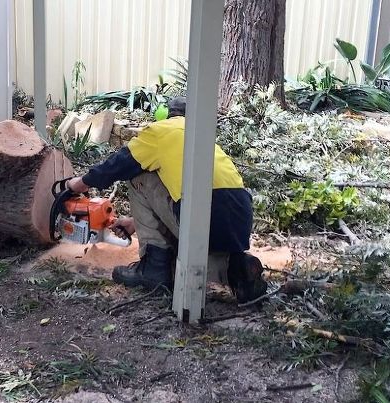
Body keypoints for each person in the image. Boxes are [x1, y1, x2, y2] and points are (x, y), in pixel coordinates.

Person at [66, 97, 266, 303]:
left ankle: (153, 268)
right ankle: (238, 268)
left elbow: (119, 165)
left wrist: (79, 184)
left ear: (165, 115)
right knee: (197, 248)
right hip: (239, 220)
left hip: (203, 213)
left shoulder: (159, 131)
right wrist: (136, 223)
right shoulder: (204, 137)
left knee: (137, 175)